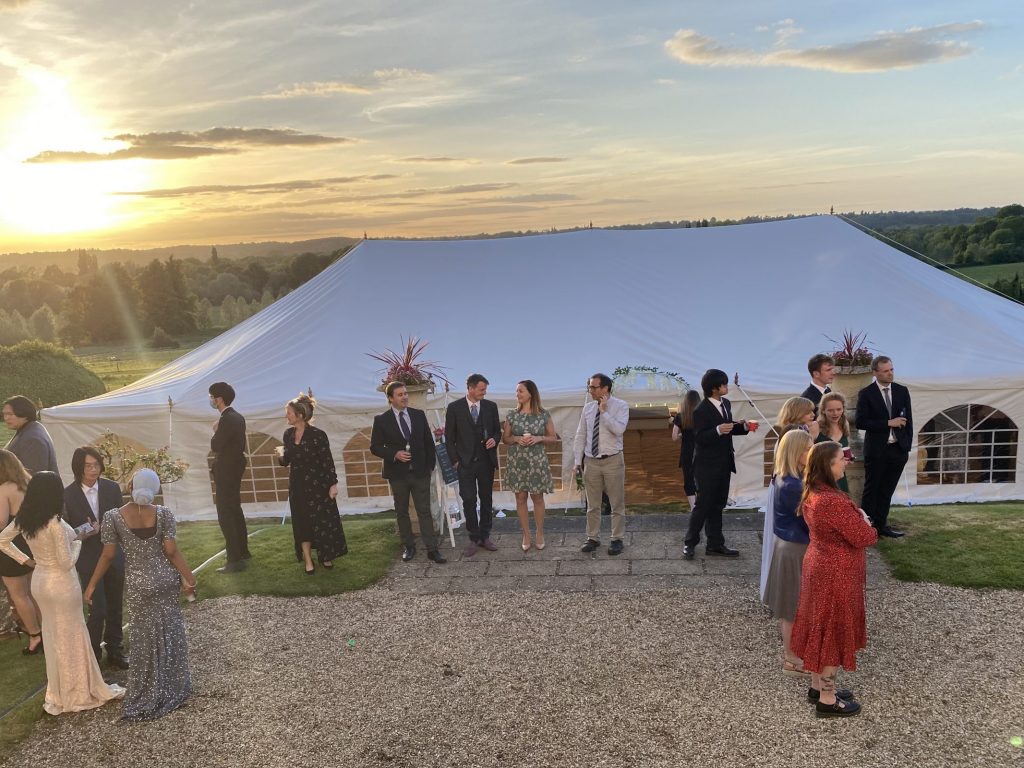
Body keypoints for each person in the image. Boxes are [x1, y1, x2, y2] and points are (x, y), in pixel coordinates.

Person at [0, 472, 124, 715]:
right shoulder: (54, 524)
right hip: (61, 583)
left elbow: (2, 540)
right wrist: (77, 544)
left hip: (41, 581)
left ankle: (60, 690)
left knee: (53, 633)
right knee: (74, 633)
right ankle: (79, 690)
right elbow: (67, 562)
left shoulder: (26, 518)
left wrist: (27, 560)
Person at [85, 469, 194, 720]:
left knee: (143, 637)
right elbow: (171, 551)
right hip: (165, 580)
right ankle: (173, 685)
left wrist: (91, 585)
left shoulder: (113, 516)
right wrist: (189, 577)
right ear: (155, 488)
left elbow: (108, 555)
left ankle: (147, 686)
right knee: (169, 631)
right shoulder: (164, 514)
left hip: (138, 584)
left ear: (131, 486)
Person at [790, 442, 878, 718]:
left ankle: (817, 687)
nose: (846, 462)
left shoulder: (815, 492)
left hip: (820, 565)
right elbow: (865, 537)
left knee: (820, 625)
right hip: (836, 573)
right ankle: (827, 700)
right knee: (833, 630)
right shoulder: (833, 500)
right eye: (842, 459)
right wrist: (866, 522)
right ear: (828, 465)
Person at [682, 369, 759, 560]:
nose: (727, 387)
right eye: (724, 384)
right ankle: (689, 543)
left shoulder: (726, 403)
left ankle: (715, 544)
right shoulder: (700, 410)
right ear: (714, 388)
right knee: (703, 505)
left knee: (718, 505)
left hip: (724, 463)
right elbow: (699, 437)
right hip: (706, 466)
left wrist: (744, 427)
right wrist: (717, 430)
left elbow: (728, 427)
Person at [63, 447, 127, 669]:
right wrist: (87, 529)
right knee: (97, 608)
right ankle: (93, 655)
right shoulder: (67, 494)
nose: (93, 470)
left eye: (96, 465)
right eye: (88, 466)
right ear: (78, 468)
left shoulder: (111, 487)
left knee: (115, 605)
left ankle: (115, 649)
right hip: (88, 558)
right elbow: (66, 532)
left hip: (114, 555)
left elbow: (122, 519)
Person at [759, 429, 814, 677]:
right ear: (795, 452)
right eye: (806, 448)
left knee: (795, 605)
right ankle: (791, 658)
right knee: (792, 607)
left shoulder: (789, 477)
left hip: (791, 545)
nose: (810, 452)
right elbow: (810, 521)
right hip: (795, 548)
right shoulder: (794, 485)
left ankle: (795, 654)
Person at [370, 383, 445, 564]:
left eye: (405, 394)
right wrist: (394, 454)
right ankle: (409, 546)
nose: (404, 397)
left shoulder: (418, 415)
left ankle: (432, 549)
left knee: (424, 511)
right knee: (402, 512)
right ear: (390, 398)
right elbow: (375, 447)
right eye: (400, 394)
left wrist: (429, 466)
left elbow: (428, 441)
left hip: (420, 473)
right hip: (397, 475)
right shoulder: (381, 420)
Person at [275, 394, 349, 574]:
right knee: (302, 523)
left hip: (319, 486)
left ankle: (326, 555)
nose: (286, 416)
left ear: (299, 415)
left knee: (322, 521)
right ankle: (308, 560)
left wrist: (333, 484)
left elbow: (327, 461)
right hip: (297, 486)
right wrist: (280, 457)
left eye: (289, 413)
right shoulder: (288, 434)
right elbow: (287, 461)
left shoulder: (318, 435)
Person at [573, 373, 630, 556]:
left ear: (605, 388)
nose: (590, 390)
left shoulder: (620, 406)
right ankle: (592, 537)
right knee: (592, 504)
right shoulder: (588, 409)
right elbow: (581, 435)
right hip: (591, 461)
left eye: (594, 387)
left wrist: (604, 411)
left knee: (616, 503)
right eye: (589, 387)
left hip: (613, 459)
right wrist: (577, 461)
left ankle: (617, 539)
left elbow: (619, 430)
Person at [444, 374, 501, 556]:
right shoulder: (454, 408)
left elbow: (497, 432)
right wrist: (455, 461)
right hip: (465, 464)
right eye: (481, 389)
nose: (484, 393)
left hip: (486, 462)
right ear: (470, 388)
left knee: (486, 500)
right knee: (468, 500)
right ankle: (473, 537)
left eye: (485, 389)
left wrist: (494, 439)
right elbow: (449, 438)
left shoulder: (491, 407)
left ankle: (485, 536)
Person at [855, 355, 912, 538]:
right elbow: (861, 422)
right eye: (886, 371)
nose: (890, 374)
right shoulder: (866, 393)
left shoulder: (902, 391)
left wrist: (906, 446)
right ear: (875, 373)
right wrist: (888, 423)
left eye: (892, 370)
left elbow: (908, 420)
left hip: (898, 449)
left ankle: (882, 525)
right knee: (872, 490)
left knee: (887, 490)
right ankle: (867, 528)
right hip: (877, 450)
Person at [503, 380, 557, 551]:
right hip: (517, 461)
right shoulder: (512, 415)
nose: (517, 394)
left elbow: (553, 438)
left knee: (537, 498)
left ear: (530, 394)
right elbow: (505, 439)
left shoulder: (543, 415)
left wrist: (538, 438)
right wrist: (517, 439)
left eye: (520, 391)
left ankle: (539, 532)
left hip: (536, 461)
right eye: (516, 391)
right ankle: (526, 534)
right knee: (520, 498)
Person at [0, 449, 43, 655]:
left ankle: (35, 635)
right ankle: (45, 629)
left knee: (19, 595)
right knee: (34, 591)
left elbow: (0, 521)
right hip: (31, 541)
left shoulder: (5, 488)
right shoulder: (29, 483)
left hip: (12, 544)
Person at [208, 382, 250, 572]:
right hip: (235, 468)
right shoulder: (238, 417)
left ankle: (234, 559)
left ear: (219, 399)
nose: (211, 400)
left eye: (212, 397)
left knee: (225, 513)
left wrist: (216, 431)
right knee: (235, 509)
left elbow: (216, 446)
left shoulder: (226, 419)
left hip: (226, 469)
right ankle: (243, 551)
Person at [3, 396, 61, 479]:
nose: (6, 418)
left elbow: (33, 478)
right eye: (5, 414)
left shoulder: (32, 439)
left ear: (24, 413)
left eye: (10, 414)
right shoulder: (29, 429)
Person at [816, 392, 852, 494]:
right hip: (822, 478)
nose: (835, 413)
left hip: (840, 478)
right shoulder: (816, 427)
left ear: (843, 409)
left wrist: (848, 458)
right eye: (830, 410)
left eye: (838, 409)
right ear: (823, 410)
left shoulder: (844, 425)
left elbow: (843, 450)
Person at [671, 389, 701, 509]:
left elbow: (674, 437)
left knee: (688, 480)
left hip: (687, 452)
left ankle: (694, 508)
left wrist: (681, 435)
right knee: (702, 479)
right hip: (701, 451)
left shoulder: (680, 416)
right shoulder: (703, 414)